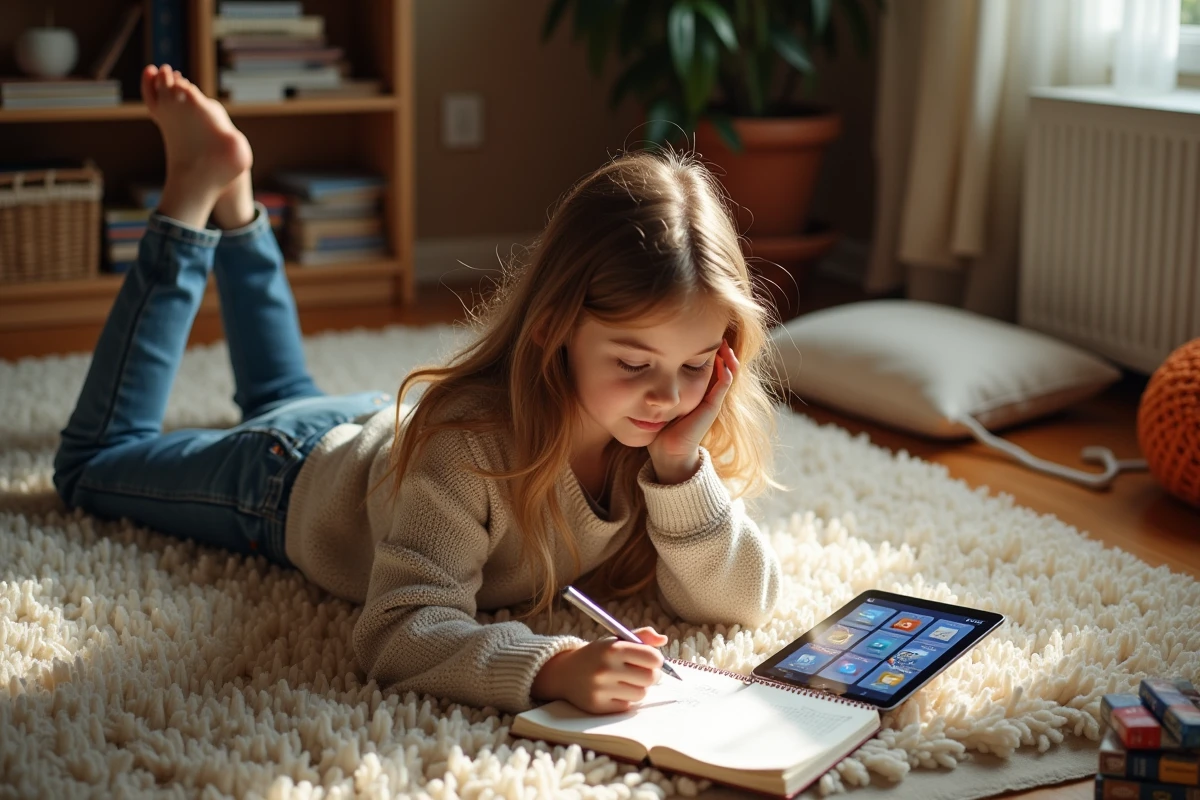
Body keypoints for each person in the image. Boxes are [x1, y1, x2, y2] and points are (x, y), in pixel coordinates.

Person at [54, 63, 783, 717]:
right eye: (633, 363)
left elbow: (744, 602)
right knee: (91, 464)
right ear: (551, 329)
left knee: (280, 386)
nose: (668, 398)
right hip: (288, 479)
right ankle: (191, 196)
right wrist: (552, 665)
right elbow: (398, 632)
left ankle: (235, 191)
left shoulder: (666, 438)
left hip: (380, 433)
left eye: (695, 365)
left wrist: (684, 470)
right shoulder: (469, 446)